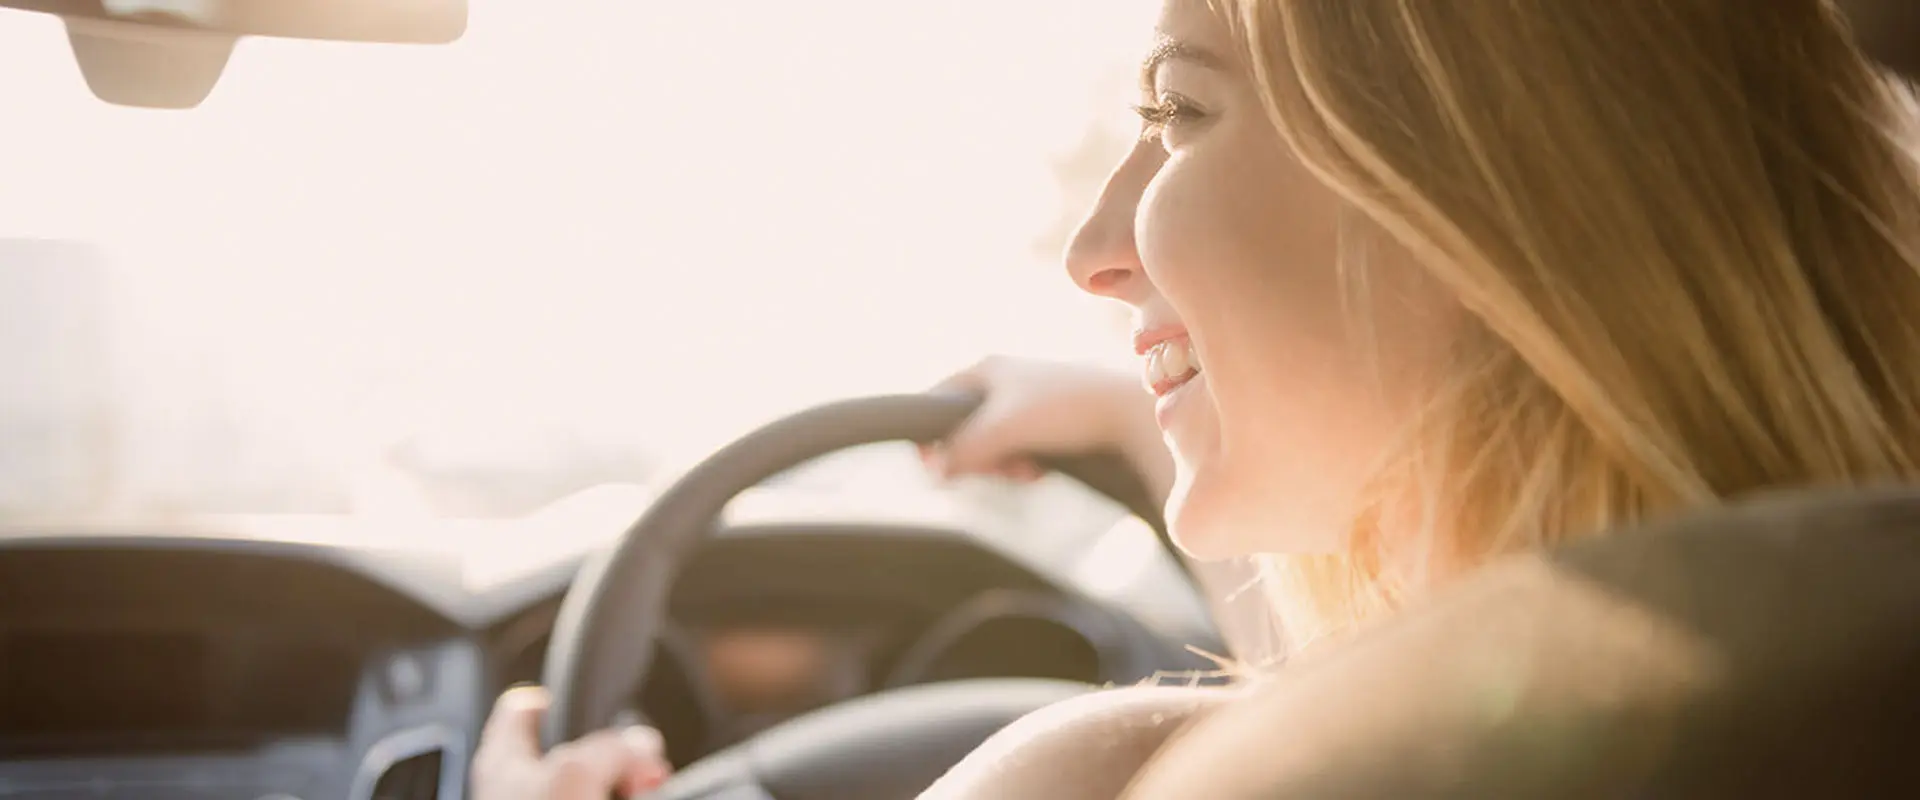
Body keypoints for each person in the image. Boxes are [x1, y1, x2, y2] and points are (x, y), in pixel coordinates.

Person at [474, 0, 1920, 796]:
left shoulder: (1107, 782)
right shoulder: (1854, 674)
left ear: (1481, 194)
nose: (1095, 251)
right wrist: (1130, 418)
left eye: (1178, 114)